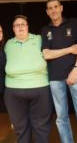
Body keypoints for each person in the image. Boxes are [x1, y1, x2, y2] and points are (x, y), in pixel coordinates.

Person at [41, 0, 77, 143]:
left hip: (76, 75)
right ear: (47, 12)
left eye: (55, 7)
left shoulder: (73, 22)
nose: (53, 10)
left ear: (61, 8)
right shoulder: (45, 30)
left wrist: (75, 69)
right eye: (50, 8)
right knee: (61, 118)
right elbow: (46, 54)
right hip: (55, 78)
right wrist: (69, 49)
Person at [4, 15, 52, 143]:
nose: (20, 27)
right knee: (20, 128)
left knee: (41, 127)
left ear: (28, 26)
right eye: (17, 25)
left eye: (23, 24)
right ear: (13, 29)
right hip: (13, 91)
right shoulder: (8, 44)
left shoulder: (40, 39)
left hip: (40, 88)